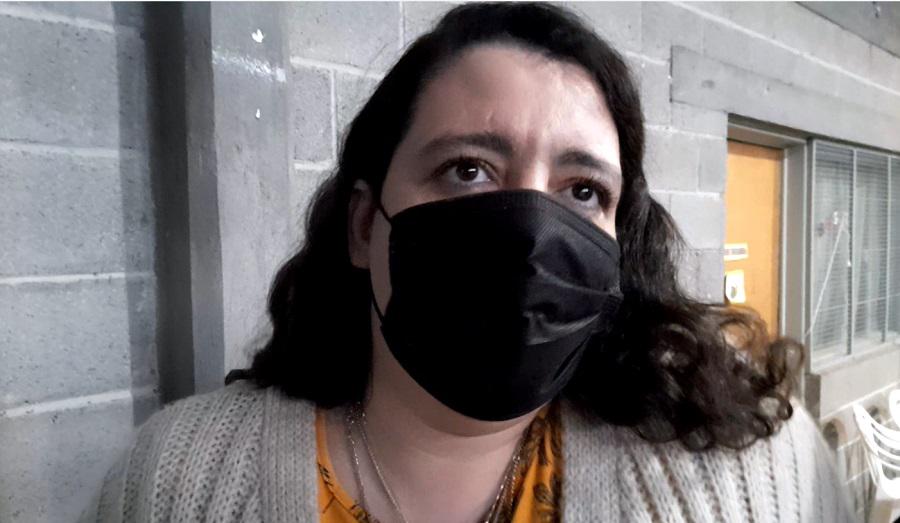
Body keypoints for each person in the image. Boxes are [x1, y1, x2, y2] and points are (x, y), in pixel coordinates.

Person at [81, 3, 853, 522]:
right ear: (364, 225)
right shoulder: (177, 480)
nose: (531, 232)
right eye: (469, 169)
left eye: (583, 190)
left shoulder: (753, 474)